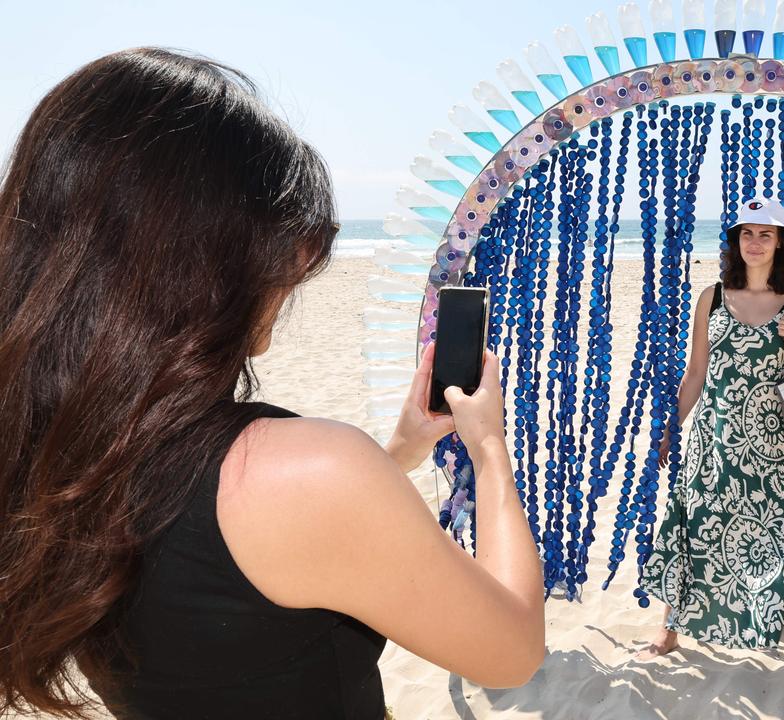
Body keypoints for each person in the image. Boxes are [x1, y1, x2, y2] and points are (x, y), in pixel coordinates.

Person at [0, 49, 544, 719]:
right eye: (288, 244)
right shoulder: (299, 473)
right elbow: (513, 648)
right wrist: (489, 450)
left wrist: (401, 450)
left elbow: (246, 544)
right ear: (211, 258)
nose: (292, 275)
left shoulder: (52, 442)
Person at [636, 197, 784, 657]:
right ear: (735, 242)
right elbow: (696, 372)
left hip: (775, 447)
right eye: (746, 233)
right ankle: (668, 626)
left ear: (781, 243)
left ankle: (757, 620)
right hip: (714, 440)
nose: (754, 242)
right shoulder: (712, 297)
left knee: (766, 533)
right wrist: (672, 427)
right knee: (692, 526)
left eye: (765, 234)